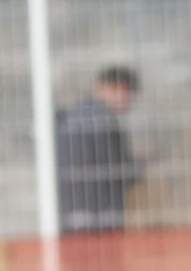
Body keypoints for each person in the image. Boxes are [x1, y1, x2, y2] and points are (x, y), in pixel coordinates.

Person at [55, 65, 143, 233]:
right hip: (99, 219)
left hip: (70, 216)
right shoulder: (102, 122)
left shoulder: (74, 117)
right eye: (127, 93)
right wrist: (141, 166)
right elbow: (116, 171)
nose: (129, 100)